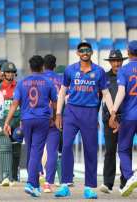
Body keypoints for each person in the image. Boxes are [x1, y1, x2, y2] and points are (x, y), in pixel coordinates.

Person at [54, 42, 114, 199]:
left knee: (90, 149)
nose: (85, 53)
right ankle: (65, 184)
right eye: (82, 50)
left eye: (87, 50)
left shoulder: (99, 71)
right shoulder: (70, 70)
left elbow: (106, 94)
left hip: (89, 113)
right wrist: (58, 113)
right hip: (71, 111)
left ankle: (89, 187)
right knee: (66, 146)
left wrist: (113, 112)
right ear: (77, 53)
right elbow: (62, 92)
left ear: (92, 52)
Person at [4, 55, 57, 197]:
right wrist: (54, 117)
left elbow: (15, 103)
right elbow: (55, 101)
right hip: (42, 119)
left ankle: (34, 185)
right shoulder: (48, 82)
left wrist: (7, 122)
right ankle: (30, 183)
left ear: (30, 67)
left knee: (30, 150)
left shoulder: (22, 82)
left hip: (26, 119)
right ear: (42, 67)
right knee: (36, 151)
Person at [109, 40, 137, 197]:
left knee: (124, 149)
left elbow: (121, 92)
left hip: (129, 116)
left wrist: (113, 112)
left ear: (128, 53)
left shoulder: (124, 70)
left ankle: (130, 176)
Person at [99, 49, 129, 194]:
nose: (116, 63)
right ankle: (107, 183)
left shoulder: (128, 75)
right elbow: (98, 97)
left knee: (125, 151)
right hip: (109, 120)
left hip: (125, 119)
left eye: (118, 61)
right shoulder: (104, 77)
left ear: (122, 61)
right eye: (113, 61)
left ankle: (125, 183)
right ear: (110, 62)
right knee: (110, 151)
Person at [0, 61, 22, 186]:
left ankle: (14, 176)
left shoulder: (20, 86)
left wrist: (22, 121)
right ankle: (4, 176)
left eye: (12, 72)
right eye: (8, 72)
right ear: (2, 73)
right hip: (2, 120)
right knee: (4, 145)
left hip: (17, 120)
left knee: (16, 148)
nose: (10, 74)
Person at [41, 54, 62, 193]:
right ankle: (48, 182)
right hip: (55, 117)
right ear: (55, 66)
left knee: (36, 148)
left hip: (39, 117)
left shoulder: (39, 78)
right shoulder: (61, 79)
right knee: (52, 151)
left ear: (43, 65)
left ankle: (37, 177)